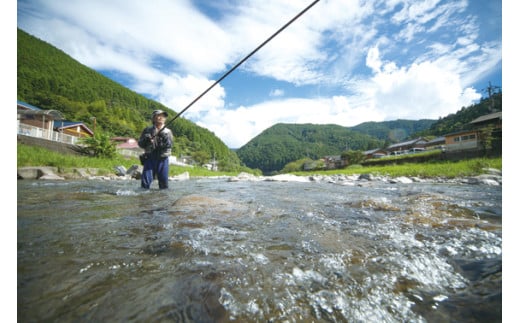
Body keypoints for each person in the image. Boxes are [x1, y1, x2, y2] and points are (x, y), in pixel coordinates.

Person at [138, 110, 173, 189]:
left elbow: (170, 145)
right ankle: (143, 199)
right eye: (158, 115)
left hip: (163, 159)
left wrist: (165, 138)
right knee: (145, 183)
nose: (161, 117)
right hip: (150, 158)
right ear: (153, 118)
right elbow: (140, 144)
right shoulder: (147, 130)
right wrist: (145, 140)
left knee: (164, 184)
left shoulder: (168, 132)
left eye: (163, 116)